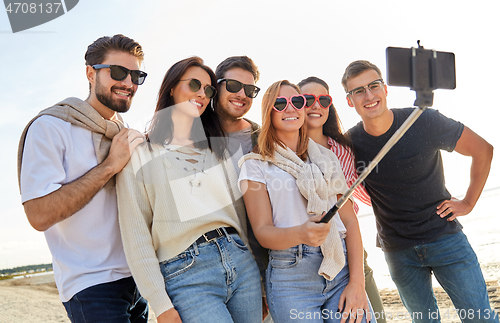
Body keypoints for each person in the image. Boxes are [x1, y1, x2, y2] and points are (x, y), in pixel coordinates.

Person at [342, 60, 497, 323]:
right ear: (350, 101)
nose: (368, 95)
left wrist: (469, 202)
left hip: (445, 239)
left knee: (479, 318)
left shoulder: (422, 119)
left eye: (373, 86)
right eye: (358, 91)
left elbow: (483, 150)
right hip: (398, 251)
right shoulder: (350, 143)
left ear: (385, 88)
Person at [116, 56, 262, 323]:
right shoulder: (140, 154)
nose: (201, 94)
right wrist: (160, 304)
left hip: (241, 263)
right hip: (185, 273)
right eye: (194, 84)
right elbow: (135, 232)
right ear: (172, 87)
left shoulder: (217, 148)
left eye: (207, 90)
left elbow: (240, 215)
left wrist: (257, 272)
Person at [17, 34, 149, 322]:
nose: (128, 82)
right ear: (91, 73)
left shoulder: (126, 134)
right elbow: (38, 214)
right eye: (118, 72)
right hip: (91, 286)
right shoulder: (51, 127)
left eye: (136, 75)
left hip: (138, 279)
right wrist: (108, 166)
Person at [239, 80, 374, 323]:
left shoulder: (327, 157)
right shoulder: (254, 165)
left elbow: (350, 223)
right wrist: (301, 233)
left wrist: (357, 282)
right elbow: (263, 232)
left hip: (339, 267)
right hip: (291, 278)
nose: (290, 108)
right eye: (280, 103)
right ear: (269, 112)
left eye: (297, 102)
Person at [299, 76, 386, 323]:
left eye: (323, 100)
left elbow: (352, 201)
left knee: (375, 317)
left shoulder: (342, 149)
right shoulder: (287, 148)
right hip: (302, 257)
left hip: (348, 249)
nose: (316, 105)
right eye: (307, 99)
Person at [214, 56, 273, 321]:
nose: (242, 95)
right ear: (216, 86)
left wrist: (263, 284)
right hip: (210, 268)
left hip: (261, 269)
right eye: (234, 85)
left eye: (250, 90)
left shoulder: (263, 139)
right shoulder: (192, 134)